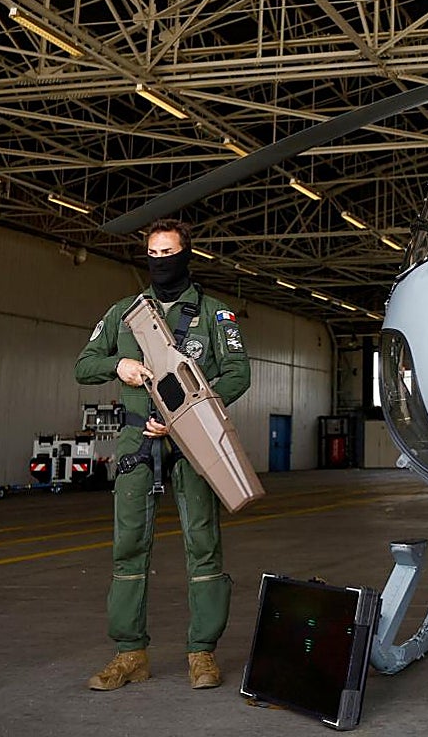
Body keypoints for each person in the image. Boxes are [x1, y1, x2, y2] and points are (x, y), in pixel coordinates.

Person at [76, 219, 251, 691]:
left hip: (193, 444)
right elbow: (84, 365)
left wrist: (186, 412)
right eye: (152, 253)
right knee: (128, 548)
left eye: (168, 252)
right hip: (136, 446)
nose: (159, 261)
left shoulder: (215, 315)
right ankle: (129, 653)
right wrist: (120, 364)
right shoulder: (125, 314)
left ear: (186, 254)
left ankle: (203, 653)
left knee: (203, 545)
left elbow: (238, 374)